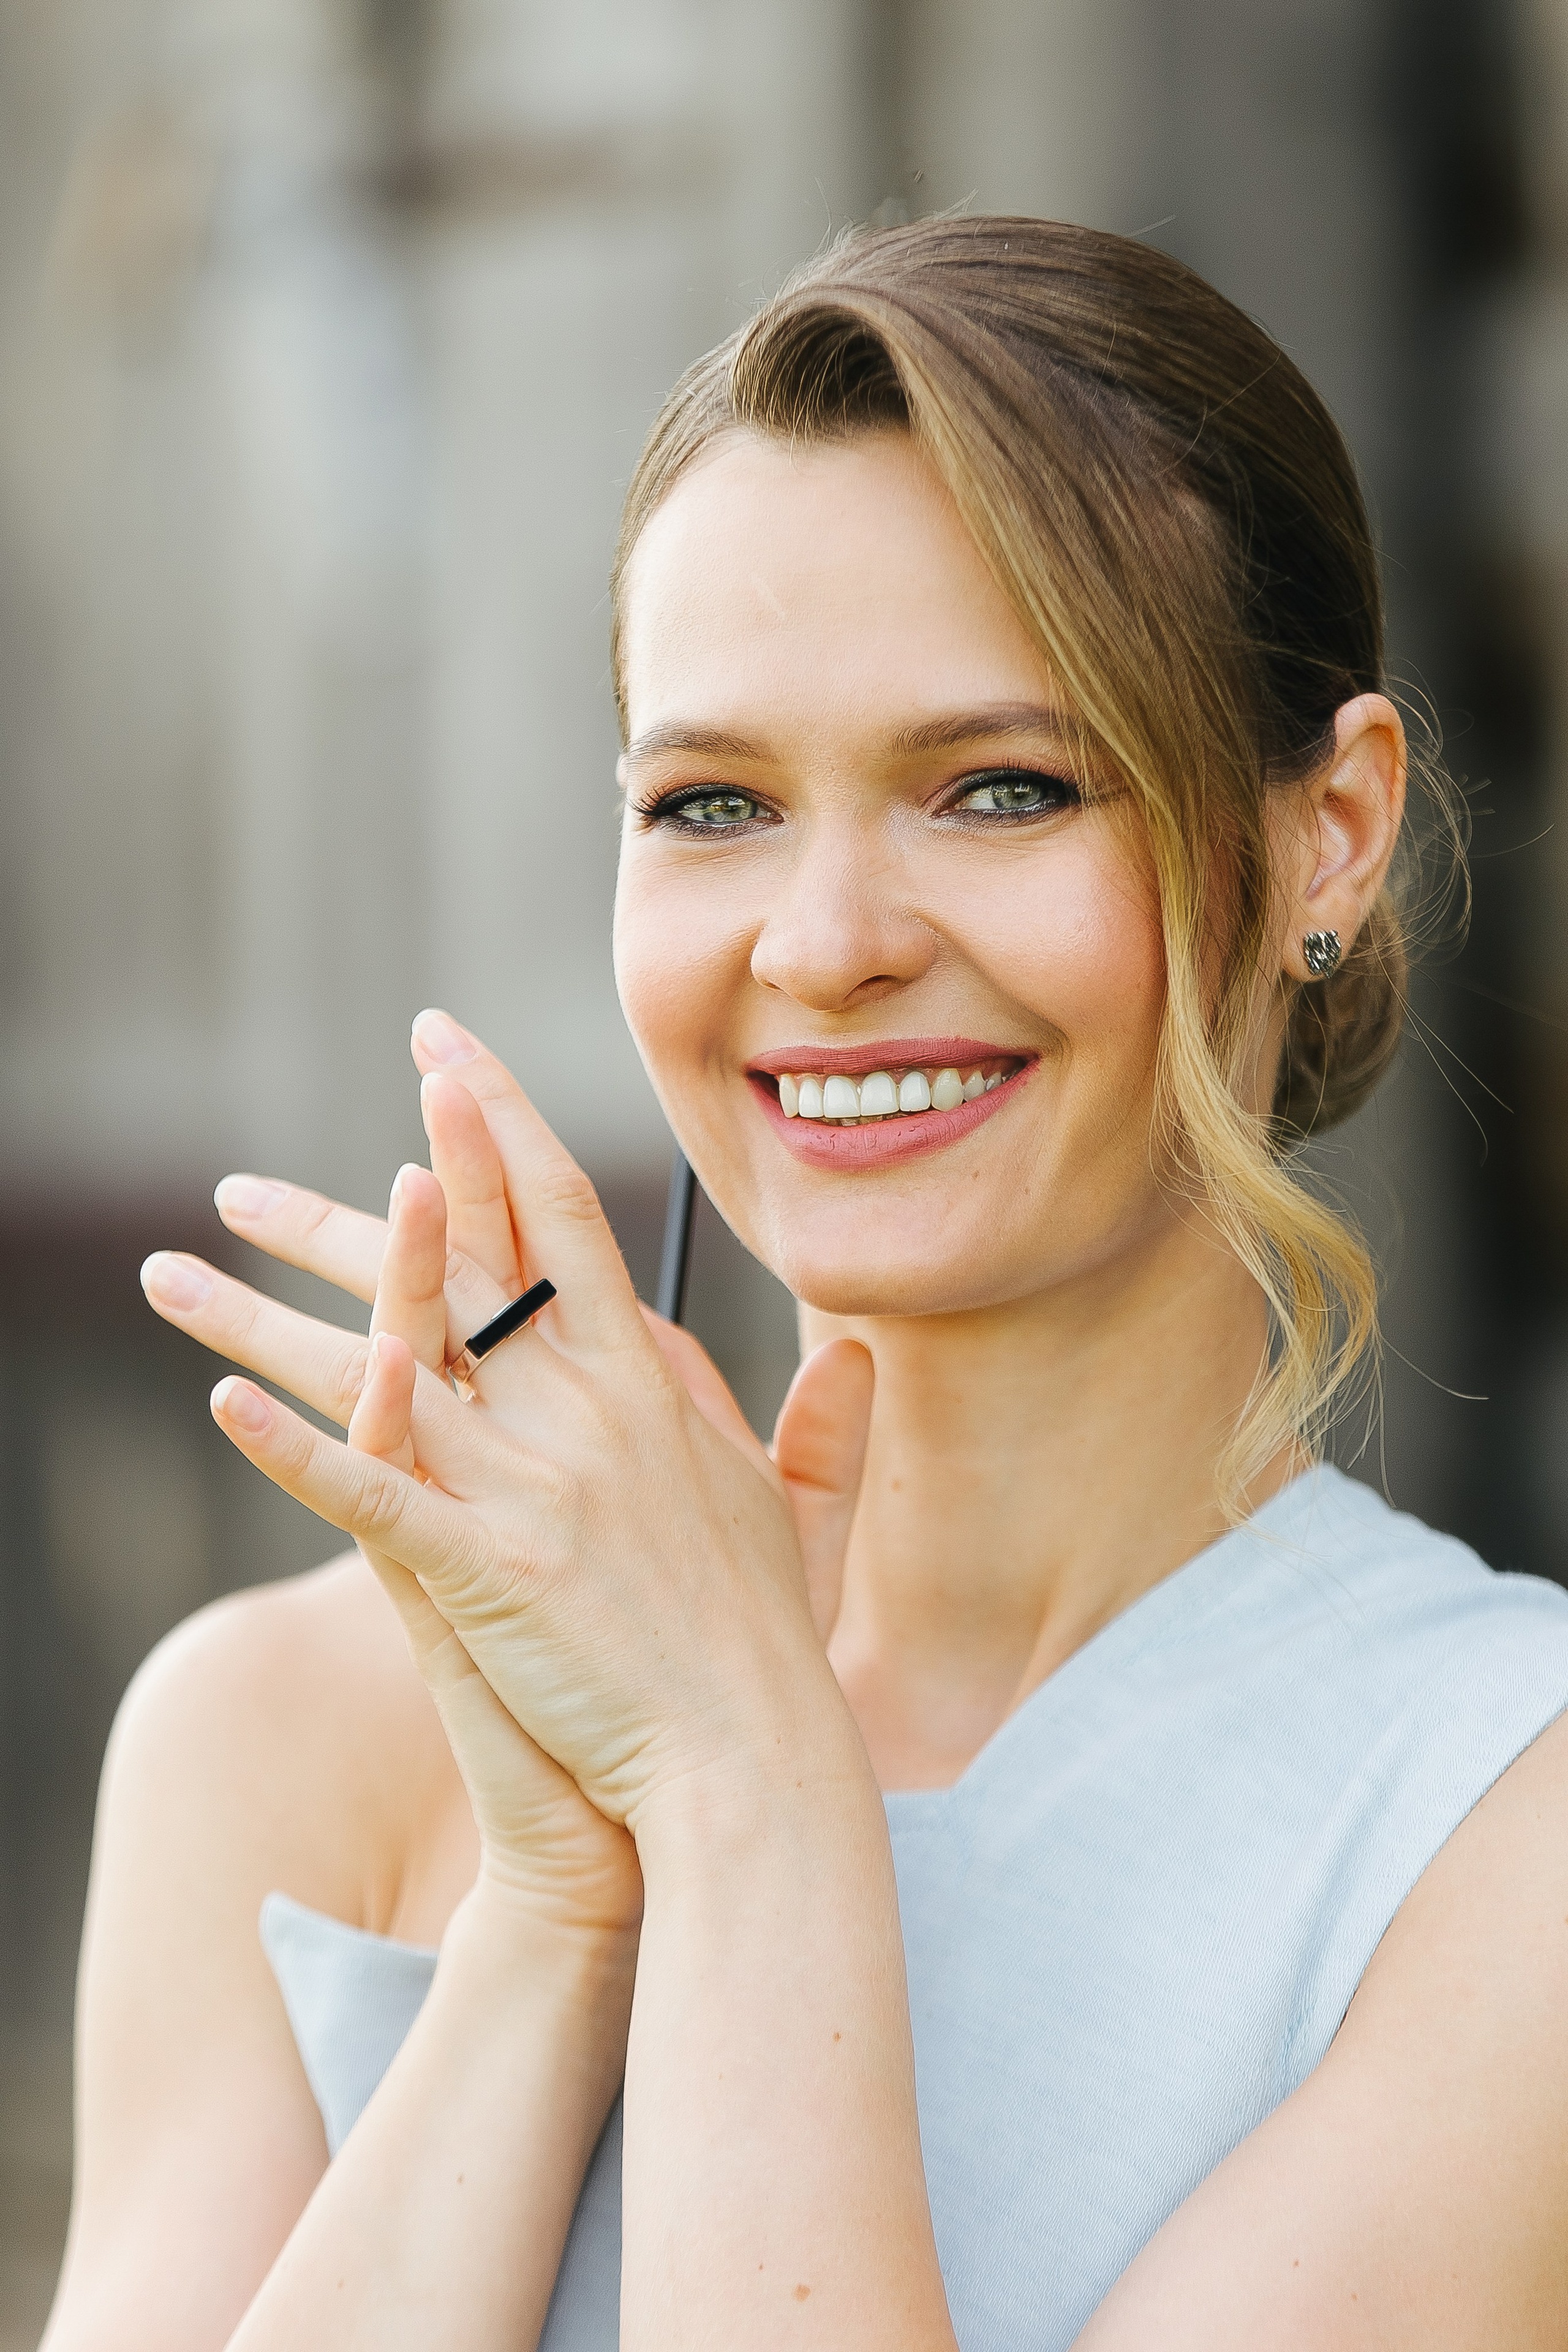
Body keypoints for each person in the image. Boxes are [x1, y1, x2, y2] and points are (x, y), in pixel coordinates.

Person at [43, 219, 1568, 2352]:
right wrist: (555, 1921)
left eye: (1001, 787)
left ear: (1326, 832)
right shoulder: (281, 1735)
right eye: (715, 803)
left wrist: (747, 1783)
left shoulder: (1507, 1833)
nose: (827, 938)